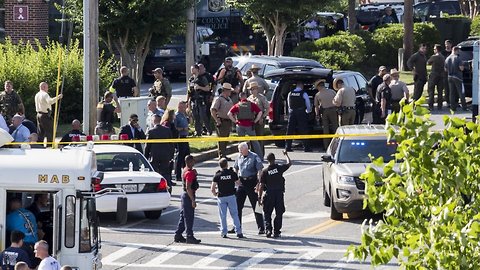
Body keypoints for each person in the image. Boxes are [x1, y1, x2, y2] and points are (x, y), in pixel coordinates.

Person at [232, 142, 265, 234]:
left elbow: (260, 170)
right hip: (242, 183)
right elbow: (235, 168)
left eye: (241, 150)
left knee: (256, 205)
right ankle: (237, 226)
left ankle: (261, 227)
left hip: (252, 182)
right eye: (239, 150)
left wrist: (259, 182)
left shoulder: (254, 156)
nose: (240, 152)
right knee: (237, 206)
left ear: (246, 149)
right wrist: (236, 179)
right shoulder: (239, 157)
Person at [258, 151, 291, 238]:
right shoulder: (279, 168)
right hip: (279, 194)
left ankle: (268, 230)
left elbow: (261, 186)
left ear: (267, 160)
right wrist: (286, 154)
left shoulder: (265, 172)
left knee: (267, 213)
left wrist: (259, 197)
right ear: (274, 159)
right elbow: (289, 163)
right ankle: (276, 231)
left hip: (269, 194)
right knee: (279, 213)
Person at [210, 158, 244, 238]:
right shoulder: (232, 173)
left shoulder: (217, 175)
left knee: (223, 215)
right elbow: (238, 183)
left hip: (221, 197)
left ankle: (224, 232)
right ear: (227, 165)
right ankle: (239, 232)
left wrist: (215, 194)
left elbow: (212, 188)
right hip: (231, 196)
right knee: (235, 214)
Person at [174, 155, 201, 244]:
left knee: (183, 216)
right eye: (193, 161)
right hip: (188, 196)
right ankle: (189, 236)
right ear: (189, 162)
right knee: (189, 217)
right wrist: (193, 200)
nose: (194, 162)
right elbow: (188, 187)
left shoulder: (185, 170)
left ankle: (178, 235)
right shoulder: (189, 173)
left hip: (184, 195)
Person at [227, 92, 263, 158]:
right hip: (250, 125)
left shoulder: (238, 105)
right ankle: (260, 157)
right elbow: (260, 112)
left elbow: (229, 114)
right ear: (246, 96)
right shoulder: (251, 104)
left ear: (240, 97)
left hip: (240, 125)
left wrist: (235, 121)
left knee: (241, 143)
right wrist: (255, 121)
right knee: (255, 142)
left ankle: (241, 157)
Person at [144, 113, 175, 190]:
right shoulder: (167, 130)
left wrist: (145, 157)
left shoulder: (151, 131)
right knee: (165, 173)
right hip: (165, 156)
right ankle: (168, 187)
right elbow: (171, 144)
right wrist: (171, 155)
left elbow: (147, 146)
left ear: (153, 121)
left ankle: (155, 188)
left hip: (155, 156)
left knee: (155, 174)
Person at [6, 198, 38, 263]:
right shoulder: (31, 214)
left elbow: (4, 229)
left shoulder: (10, 216)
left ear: (11, 205)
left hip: (21, 245)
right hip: (35, 245)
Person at [285, 81, 312, 152]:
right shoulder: (304, 93)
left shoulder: (290, 93)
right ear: (301, 85)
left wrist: (290, 112)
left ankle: (288, 146)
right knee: (303, 129)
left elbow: (288, 104)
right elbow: (308, 104)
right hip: (301, 112)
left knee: (290, 130)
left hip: (292, 112)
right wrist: (308, 111)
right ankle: (306, 147)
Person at [34, 82, 63, 147]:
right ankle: (50, 146)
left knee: (41, 132)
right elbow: (50, 101)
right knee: (50, 131)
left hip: (38, 114)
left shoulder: (37, 95)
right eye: (47, 87)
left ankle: (39, 146)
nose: (47, 89)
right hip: (45, 115)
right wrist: (58, 97)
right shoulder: (45, 94)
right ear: (44, 87)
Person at [210, 83, 234, 160]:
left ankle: (224, 154)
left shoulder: (229, 99)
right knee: (221, 140)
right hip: (222, 121)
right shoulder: (219, 99)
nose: (230, 92)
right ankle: (221, 155)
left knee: (226, 139)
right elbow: (213, 110)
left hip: (228, 121)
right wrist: (217, 120)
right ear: (225, 91)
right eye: (229, 91)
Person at [187, 64, 211, 137]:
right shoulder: (191, 79)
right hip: (193, 100)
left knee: (203, 116)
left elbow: (207, 88)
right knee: (195, 116)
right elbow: (189, 91)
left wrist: (199, 87)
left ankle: (209, 130)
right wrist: (187, 101)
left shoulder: (202, 78)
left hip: (201, 99)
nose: (191, 70)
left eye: (193, 68)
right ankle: (198, 132)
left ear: (197, 69)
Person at [314, 79, 338, 150]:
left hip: (324, 112)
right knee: (335, 128)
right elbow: (337, 100)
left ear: (319, 86)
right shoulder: (332, 91)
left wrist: (317, 115)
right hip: (333, 110)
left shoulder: (318, 94)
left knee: (325, 129)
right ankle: (337, 146)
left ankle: (326, 147)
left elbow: (316, 106)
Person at [247, 82, 269, 157]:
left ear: (257, 89)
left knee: (259, 137)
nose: (252, 91)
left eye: (253, 89)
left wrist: (262, 117)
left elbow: (267, 108)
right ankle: (253, 154)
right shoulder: (249, 98)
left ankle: (261, 154)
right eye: (251, 89)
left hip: (260, 118)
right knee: (252, 138)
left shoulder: (262, 97)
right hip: (251, 119)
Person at [445, 46, 467, 111]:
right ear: (456, 50)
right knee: (461, 92)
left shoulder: (447, 58)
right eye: (458, 51)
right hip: (458, 77)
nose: (458, 52)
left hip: (450, 77)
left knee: (452, 93)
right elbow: (461, 68)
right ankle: (464, 107)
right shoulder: (458, 58)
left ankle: (452, 107)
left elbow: (445, 69)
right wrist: (463, 65)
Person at [174, 101, 191, 183]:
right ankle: (177, 175)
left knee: (187, 156)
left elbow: (189, 123)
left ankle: (186, 173)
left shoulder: (184, 115)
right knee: (180, 156)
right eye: (182, 107)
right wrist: (183, 129)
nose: (184, 108)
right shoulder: (176, 116)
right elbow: (175, 128)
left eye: (185, 107)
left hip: (185, 137)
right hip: (180, 137)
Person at [426, 44, 446, 110]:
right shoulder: (443, 57)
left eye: (434, 49)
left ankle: (431, 105)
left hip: (434, 74)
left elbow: (428, 62)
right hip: (441, 75)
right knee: (440, 91)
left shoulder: (434, 57)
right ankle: (439, 105)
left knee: (431, 90)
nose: (433, 50)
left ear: (437, 50)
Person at [441, 40, 453, 105]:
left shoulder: (453, 52)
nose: (447, 45)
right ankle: (448, 101)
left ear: (451, 45)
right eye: (446, 44)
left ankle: (454, 101)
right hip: (445, 73)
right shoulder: (443, 53)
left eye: (448, 44)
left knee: (453, 88)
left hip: (453, 72)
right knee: (446, 88)